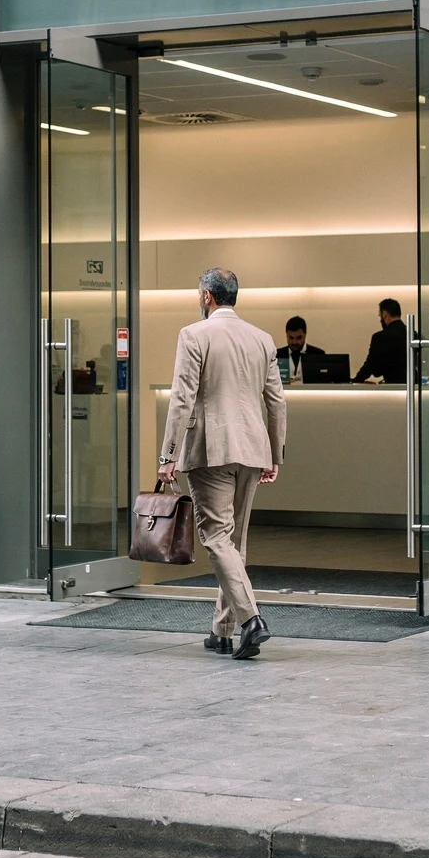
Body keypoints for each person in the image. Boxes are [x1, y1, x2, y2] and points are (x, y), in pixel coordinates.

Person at [158, 267, 287, 660]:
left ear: (206, 296)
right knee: (234, 543)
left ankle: (251, 620)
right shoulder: (262, 339)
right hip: (253, 449)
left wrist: (167, 455)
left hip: (210, 449)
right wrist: (275, 454)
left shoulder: (194, 334)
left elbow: (182, 398)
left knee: (216, 538)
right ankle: (222, 630)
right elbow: (277, 401)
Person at [352, 298, 409, 384]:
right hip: (413, 383)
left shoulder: (380, 337)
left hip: (393, 384)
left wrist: (355, 381)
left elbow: (371, 364)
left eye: (380, 315)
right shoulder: (412, 334)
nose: (380, 319)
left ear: (385, 314)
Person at [275, 315, 325, 384]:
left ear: (305, 335)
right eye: (291, 338)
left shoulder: (318, 355)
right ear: (286, 335)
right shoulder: (277, 355)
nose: (294, 342)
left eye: (299, 338)